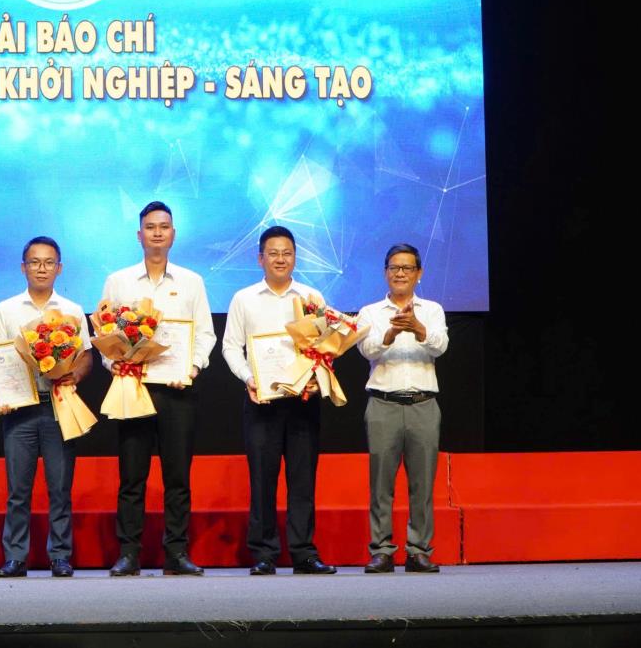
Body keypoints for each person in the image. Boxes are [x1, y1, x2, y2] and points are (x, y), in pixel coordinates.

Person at [99, 201, 216, 576]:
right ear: (139, 235)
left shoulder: (192, 282)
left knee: (177, 477)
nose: (157, 233)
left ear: (173, 234)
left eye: (164, 227)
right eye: (150, 227)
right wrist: (114, 363)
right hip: (133, 387)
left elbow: (205, 334)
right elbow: (104, 335)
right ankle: (129, 553)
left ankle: (176, 552)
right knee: (132, 476)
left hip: (177, 389)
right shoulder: (118, 281)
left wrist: (192, 367)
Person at [222, 225, 335, 575]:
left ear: (295, 258)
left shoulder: (312, 297)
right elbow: (230, 347)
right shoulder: (244, 298)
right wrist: (249, 378)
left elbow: (326, 347)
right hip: (262, 401)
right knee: (262, 479)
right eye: (273, 253)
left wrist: (317, 376)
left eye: (287, 253)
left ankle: (303, 552)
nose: (280, 259)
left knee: (303, 479)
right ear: (260, 258)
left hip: (303, 401)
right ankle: (264, 553)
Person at [0, 237, 93, 578]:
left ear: (59, 268)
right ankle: (15, 556)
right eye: (34, 262)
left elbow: (86, 356)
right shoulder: (6, 309)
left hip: (58, 405)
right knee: (18, 490)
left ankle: (60, 555)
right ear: (23, 267)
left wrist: (75, 375)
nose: (42, 268)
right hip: (20, 409)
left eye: (49, 262)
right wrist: (0, 395)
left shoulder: (73, 310)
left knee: (59, 488)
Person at [356, 244, 448, 573]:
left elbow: (440, 346)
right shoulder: (370, 312)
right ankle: (381, 550)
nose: (400, 273)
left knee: (422, 484)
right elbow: (366, 350)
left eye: (407, 268)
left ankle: (418, 550)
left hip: (424, 404)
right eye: (394, 267)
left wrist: (418, 328)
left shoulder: (432, 309)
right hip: (384, 403)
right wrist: (392, 331)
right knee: (381, 484)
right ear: (385, 272)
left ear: (418, 274)